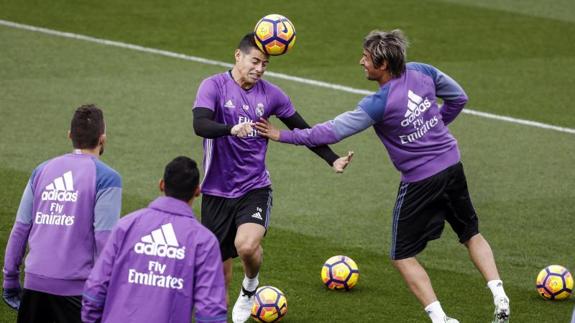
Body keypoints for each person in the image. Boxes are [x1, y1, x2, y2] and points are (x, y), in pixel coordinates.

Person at [255, 29, 510, 323]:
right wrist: (436, 126)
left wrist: (281, 134)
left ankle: (442, 319)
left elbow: (331, 130)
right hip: (453, 166)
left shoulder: (379, 103)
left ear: (383, 65)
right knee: (471, 234)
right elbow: (458, 98)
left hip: (420, 181)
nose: (361, 62)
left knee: (401, 255)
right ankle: (499, 294)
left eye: (366, 58)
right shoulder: (423, 72)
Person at [192, 32, 353, 322]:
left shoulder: (272, 95)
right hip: (215, 192)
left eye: (265, 64)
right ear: (237, 56)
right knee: (220, 275)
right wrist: (230, 129)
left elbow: (304, 130)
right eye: (255, 61)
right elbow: (200, 124)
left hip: (254, 188)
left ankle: (251, 286)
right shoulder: (213, 86)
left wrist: (332, 159)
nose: (260, 68)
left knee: (247, 245)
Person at [2, 104, 122, 323]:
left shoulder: (41, 170)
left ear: (70, 136)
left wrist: (10, 276)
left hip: (34, 285)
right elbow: (104, 238)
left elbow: (21, 227)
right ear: (103, 138)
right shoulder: (107, 178)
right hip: (75, 293)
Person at [82, 156, 226, 323]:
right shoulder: (204, 241)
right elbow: (210, 313)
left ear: (161, 184)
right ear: (197, 191)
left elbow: (95, 288)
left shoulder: (126, 225)